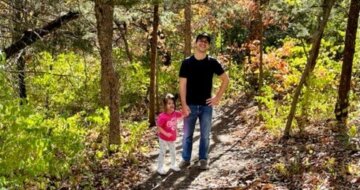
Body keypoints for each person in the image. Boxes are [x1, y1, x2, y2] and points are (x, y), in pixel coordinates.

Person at [179, 32, 229, 170]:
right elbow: (182, 85)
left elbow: (226, 79)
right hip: (190, 105)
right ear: (196, 43)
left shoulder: (212, 62)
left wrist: (217, 97)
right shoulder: (187, 63)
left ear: (208, 45)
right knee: (187, 135)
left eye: (206, 41)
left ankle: (203, 159)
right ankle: (185, 159)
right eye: (200, 41)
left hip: (206, 106)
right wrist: (183, 105)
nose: (203, 43)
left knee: (205, 135)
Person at [156, 93, 183, 175]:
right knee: (163, 152)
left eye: (172, 103)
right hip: (163, 138)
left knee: (173, 152)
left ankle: (173, 165)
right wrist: (166, 134)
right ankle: (160, 168)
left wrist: (186, 110)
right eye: (169, 103)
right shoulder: (162, 116)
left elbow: (182, 114)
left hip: (171, 138)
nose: (172, 105)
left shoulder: (175, 113)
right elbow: (158, 127)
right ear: (165, 105)